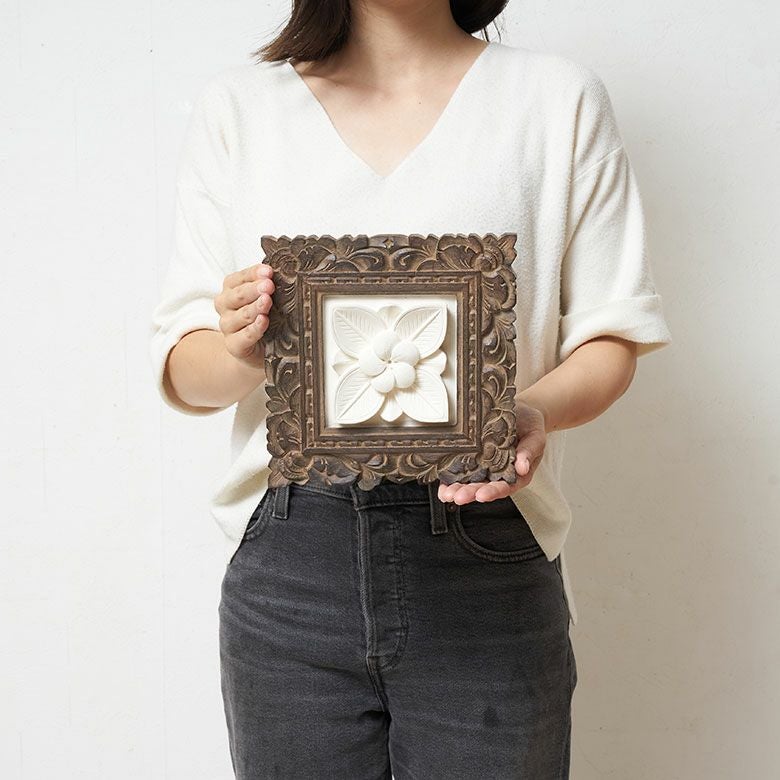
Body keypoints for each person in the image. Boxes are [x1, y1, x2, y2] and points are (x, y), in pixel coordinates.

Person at [148, 2, 672, 777]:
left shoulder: (555, 100)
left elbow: (611, 336)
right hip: (292, 555)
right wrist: (244, 345)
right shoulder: (242, 109)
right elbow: (184, 370)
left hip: (486, 541)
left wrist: (532, 411)